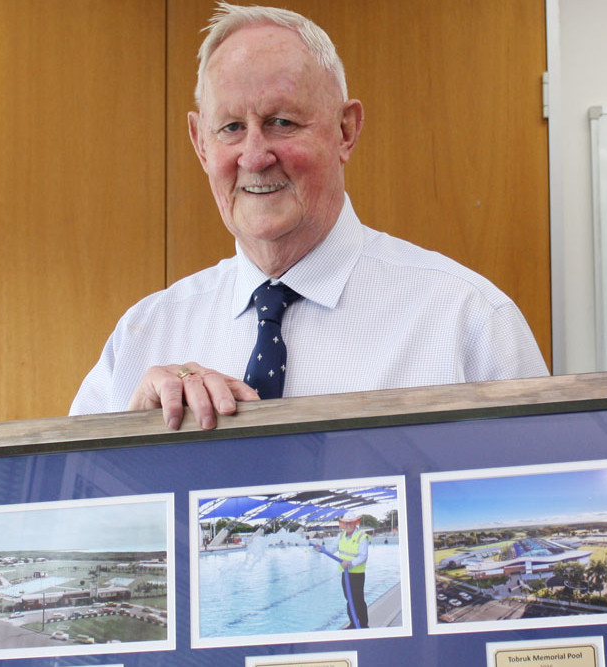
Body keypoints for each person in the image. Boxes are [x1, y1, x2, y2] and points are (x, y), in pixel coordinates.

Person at [70, 2, 548, 427]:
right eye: (231, 127)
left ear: (345, 130)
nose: (254, 157)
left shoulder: (468, 320)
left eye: (282, 122)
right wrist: (129, 444)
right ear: (200, 143)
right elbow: (71, 516)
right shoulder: (143, 335)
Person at [330, 512, 370, 629]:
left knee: (358, 600)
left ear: (355, 523)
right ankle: (353, 623)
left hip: (357, 574)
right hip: (345, 573)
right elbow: (332, 548)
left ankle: (363, 625)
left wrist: (351, 563)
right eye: (346, 523)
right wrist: (321, 549)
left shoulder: (362, 537)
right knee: (349, 599)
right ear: (343, 524)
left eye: (351, 523)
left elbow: (363, 556)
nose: (348, 525)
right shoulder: (341, 536)